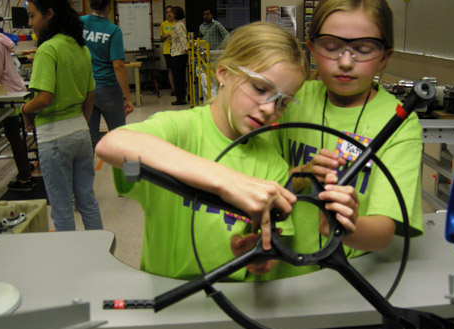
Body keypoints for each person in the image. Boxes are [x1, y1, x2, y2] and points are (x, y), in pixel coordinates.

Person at [96, 22, 314, 281]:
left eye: (281, 102)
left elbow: (273, 243)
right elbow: (111, 144)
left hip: (234, 303)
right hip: (169, 299)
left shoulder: (271, 164)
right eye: (259, 88)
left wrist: (261, 255)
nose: (269, 109)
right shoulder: (182, 129)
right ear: (223, 72)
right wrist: (226, 180)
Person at [268, 0, 424, 278]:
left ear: (385, 56)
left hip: (346, 276)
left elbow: (383, 231)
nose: (346, 62)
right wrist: (301, 175)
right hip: (274, 265)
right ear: (312, 47)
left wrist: (347, 225)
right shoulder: (292, 99)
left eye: (363, 50)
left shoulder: (399, 122)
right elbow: (251, 179)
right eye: (331, 47)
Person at [21, 0, 103, 231]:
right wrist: (81, 124)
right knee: (87, 200)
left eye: (32, 16)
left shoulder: (48, 49)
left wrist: (25, 109)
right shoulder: (81, 48)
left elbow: (45, 97)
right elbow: (90, 95)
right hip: (79, 131)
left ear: (49, 14)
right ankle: (99, 253)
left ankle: (71, 262)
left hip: (54, 136)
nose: (30, 23)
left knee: (62, 206)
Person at [0, 11, 34, 192]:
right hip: (10, 92)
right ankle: (26, 170)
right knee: (15, 135)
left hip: (9, 94)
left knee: (13, 136)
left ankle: (25, 176)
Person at [81, 0, 134, 152]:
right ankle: (127, 174)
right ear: (109, 6)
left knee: (89, 137)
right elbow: (118, 65)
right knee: (119, 136)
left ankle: (87, 175)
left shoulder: (80, 24)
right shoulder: (112, 30)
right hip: (108, 87)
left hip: (87, 87)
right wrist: (128, 98)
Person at [169, 6, 188, 106]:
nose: (170, 14)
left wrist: (185, 50)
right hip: (178, 54)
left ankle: (180, 98)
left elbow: (183, 39)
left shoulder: (179, 25)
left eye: (172, 12)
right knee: (179, 77)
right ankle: (181, 97)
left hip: (179, 54)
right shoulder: (178, 24)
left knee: (178, 77)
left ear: (176, 14)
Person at [159, 5, 175, 96]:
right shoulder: (163, 24)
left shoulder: (177, 23)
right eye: (167, 12)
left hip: (176, 50)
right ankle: (173, 88)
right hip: (167, 49)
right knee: (170, 69)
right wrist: (166, 36)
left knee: (177, 69)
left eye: (171, 12)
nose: (169, 14)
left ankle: (178, 87)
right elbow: (161, 38)